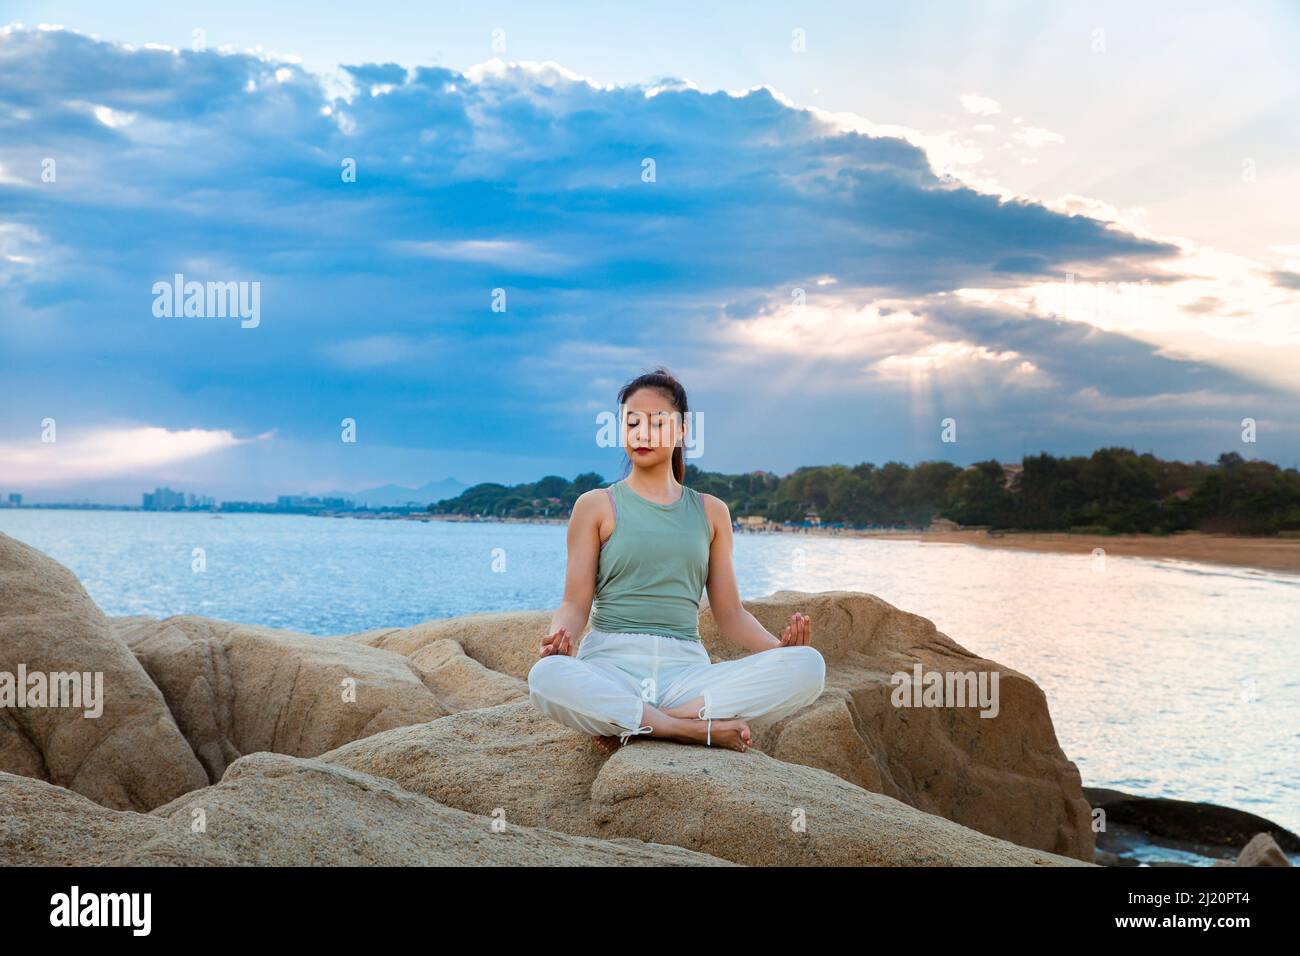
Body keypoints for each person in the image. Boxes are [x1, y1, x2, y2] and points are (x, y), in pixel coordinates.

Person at [527, 367, 826, 753]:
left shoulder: (711, 512)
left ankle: (641, 721)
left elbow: (730, 613)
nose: (642, 433)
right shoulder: (596, 505)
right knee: (547, 676)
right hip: (610, 664)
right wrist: (559, 639)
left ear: (683, 430)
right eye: (632, 423)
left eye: (656, 422)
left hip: (685, 673)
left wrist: (780, 651)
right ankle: (687, 728)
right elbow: (574, 603)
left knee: (808, 667)